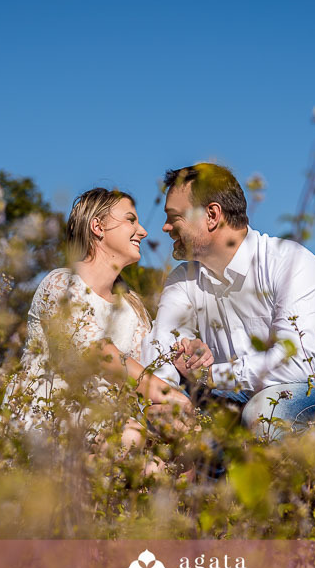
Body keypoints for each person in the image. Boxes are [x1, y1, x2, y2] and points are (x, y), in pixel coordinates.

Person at [143, 163, 315, 440]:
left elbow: (296, 364)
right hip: (244, 396)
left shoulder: (289, 262)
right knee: (166, 417)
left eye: (174, 216)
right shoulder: (182, 280)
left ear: (212, 215)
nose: (165, 227)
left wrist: (210, 376)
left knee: (265, 414)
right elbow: (161, 345)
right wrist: (167, 397)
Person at [16, 187, 195, 450]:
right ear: (98, 227)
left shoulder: (132, 308)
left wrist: (185, 355)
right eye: (131, 220)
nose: (143, 231)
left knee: (183, 434)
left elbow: (147, 365)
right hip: (55, 415)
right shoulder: (60, 284)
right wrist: (166, 394)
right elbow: (97, 352)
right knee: (132, 438)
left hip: (115, 420)